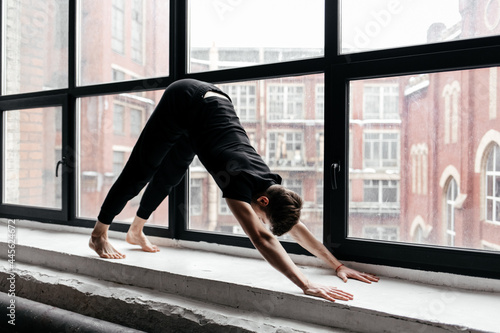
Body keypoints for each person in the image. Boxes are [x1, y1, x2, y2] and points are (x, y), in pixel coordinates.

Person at [89, 79, 378, 302]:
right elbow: (262, 239)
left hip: (210, 109)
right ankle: (98, 234)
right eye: (262, 216)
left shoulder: (270, 184)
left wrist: (336, 265)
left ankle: (135, 230)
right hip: (184, 99)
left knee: (170, 175)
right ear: (263, 201)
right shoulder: (240, 182)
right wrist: (306, 283)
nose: (259, 219)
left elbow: (294, 226)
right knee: (142, 170)